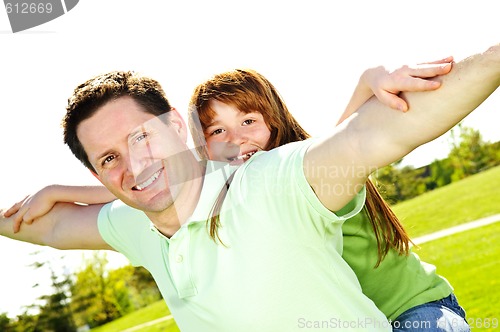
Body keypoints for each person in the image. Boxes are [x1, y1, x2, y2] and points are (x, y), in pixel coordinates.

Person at [1, 43, 498, 331]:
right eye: (110, 159)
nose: (133, 164)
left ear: (177, 127)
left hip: (415, 307)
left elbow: (370, 135)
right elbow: (51, 227)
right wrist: (61, 190)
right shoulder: (136, 224)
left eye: (141, 137)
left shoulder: (272, 181)